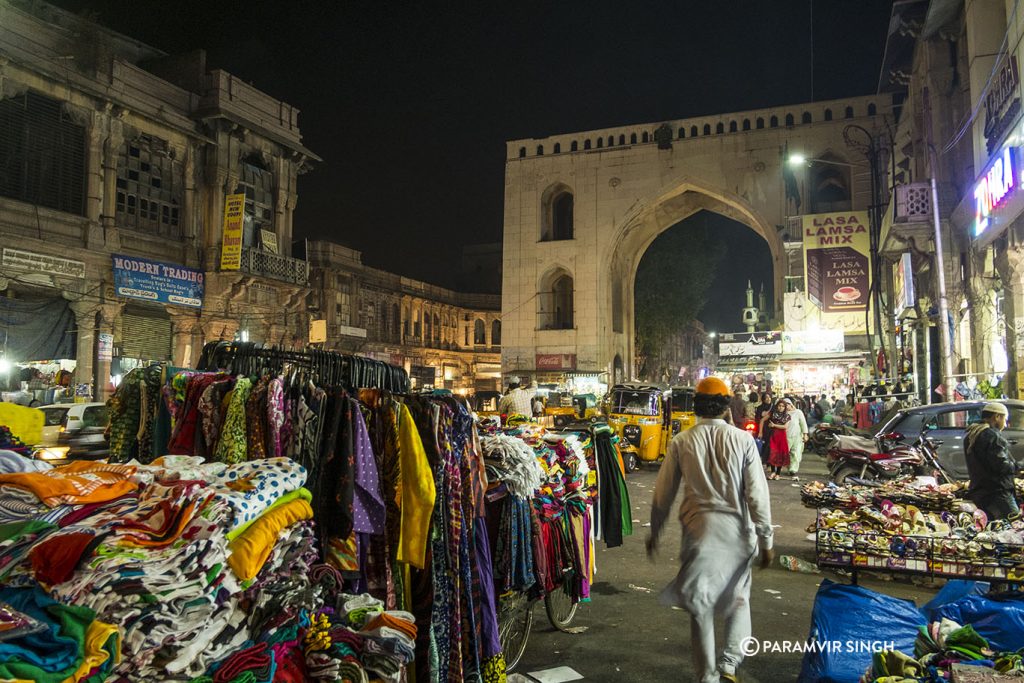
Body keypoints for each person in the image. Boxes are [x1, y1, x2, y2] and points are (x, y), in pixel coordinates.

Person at [646, 376, 774, 683]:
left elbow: (663, 494)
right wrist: (766, 539)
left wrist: (655, 531)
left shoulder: (682, 441)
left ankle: (707, 677)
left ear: (696, 406)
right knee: (739, 598)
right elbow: (757, 495)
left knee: (700, 606)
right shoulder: (743, 440)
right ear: (727, 406)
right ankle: (729, 664)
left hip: (698, 533)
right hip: (738, 533)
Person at [965, 403, 1021, 520]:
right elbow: (1001, 466)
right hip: (998, 493)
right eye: (1004, 419)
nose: (1005, 424)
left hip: (980, 492)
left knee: (993, 529)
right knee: (1015, 527)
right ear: (997, 417)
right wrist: (1017, 466)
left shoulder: (971, 434)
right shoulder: (992, 436)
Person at [761, 399, 790, 480]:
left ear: (785, 408)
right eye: (779, 406)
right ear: (777, 406)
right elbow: (762, 420)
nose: (781, 408)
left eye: (783, 406)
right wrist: (761, 431)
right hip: (773, 435)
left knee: (780, 454)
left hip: (781, 437)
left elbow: (785, 427)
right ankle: (773, 472)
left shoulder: (787, 416)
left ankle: (778, 473)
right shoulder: (772, 413)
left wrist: (774, 425)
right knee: (772, 453)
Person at [784, 398, 808, 478]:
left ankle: (792, 470)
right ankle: (789, 467)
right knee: (786, 453)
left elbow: (803, 423)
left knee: (795, 453)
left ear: (791, 404)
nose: (786, 406)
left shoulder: (798, 412)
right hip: (786, 436)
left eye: (787, 404)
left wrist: (805, 434)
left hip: (797, 436)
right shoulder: (783, 413)